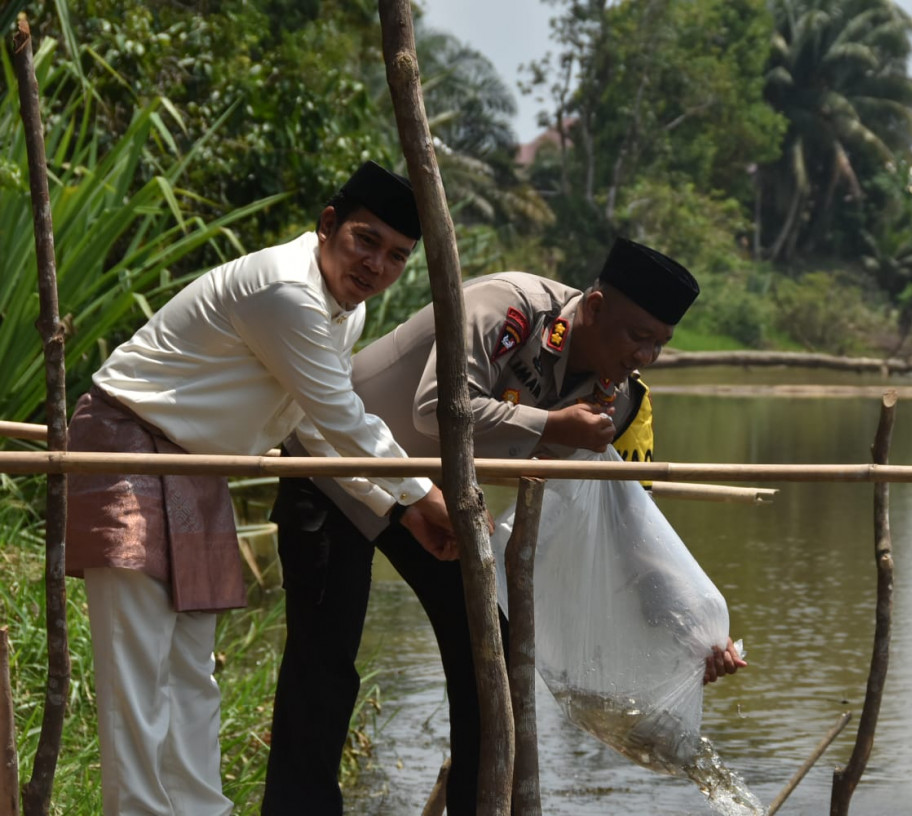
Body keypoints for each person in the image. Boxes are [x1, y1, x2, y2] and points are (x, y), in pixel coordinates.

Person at [260, 237, 746, 816]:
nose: (646, 355)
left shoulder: (615, 403)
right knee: (324, 666)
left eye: (660, 344)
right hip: (336, 467)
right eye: (637, 335)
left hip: (431, 501)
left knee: (490, 664)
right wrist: (550, 424)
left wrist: (694, 632)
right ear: (592, 307)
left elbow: (624, 527)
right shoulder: (509, 308)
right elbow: (436, 407)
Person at [65, 161, 455, 816]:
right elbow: (341, 416)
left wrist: (397, 506)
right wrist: (423, 494)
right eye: (366, 241)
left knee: (190, 674)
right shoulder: (286, 290)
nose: (377, 267)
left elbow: (317, 430)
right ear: (328, 225)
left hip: (197, 469)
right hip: (128, 448)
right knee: (136, 676)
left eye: (397, 255)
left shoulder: (342, 314)